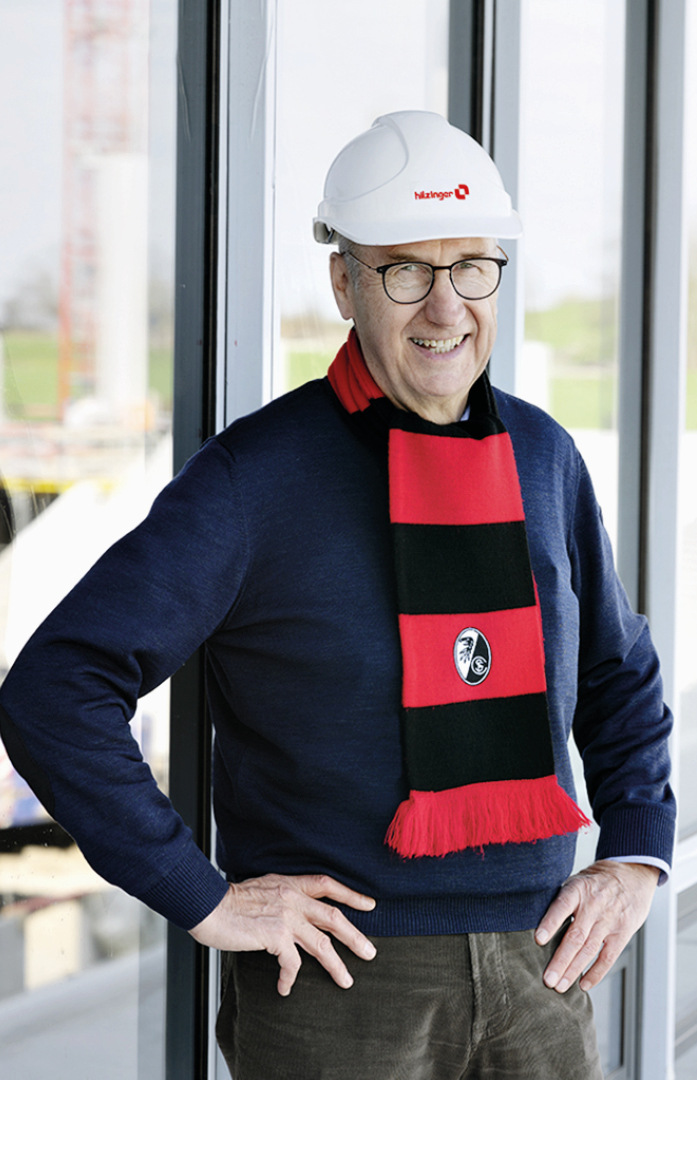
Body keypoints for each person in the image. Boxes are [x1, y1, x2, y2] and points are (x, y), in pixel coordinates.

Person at [0, 111, 675, 1080]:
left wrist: (637, 852)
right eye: (404, 271)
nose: (445, 307)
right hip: (340, 986)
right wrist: (200, 895)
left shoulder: (543, 457)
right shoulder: (254, 479)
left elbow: (617, 672)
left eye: (471, 267)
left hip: (543, 970)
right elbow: (56, 688)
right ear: (344, 283)